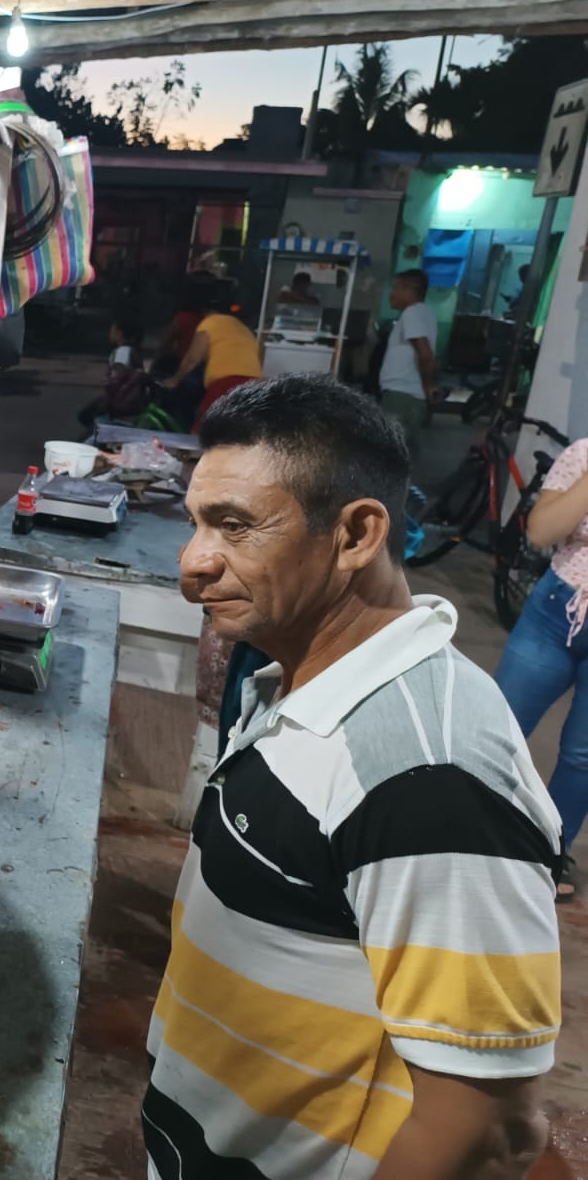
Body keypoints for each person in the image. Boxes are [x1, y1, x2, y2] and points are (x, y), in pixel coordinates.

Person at [148, 375, 561, 1179]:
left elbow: (484, 1128)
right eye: (196, 523)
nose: (194, 562)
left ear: (356, 534)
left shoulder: (432, 773)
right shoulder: (297, 681)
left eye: (234, 526)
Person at [495, 435, 588, 900]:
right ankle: (455, 827)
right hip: (556, 611)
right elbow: (541, 532)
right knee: (496, 726)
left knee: (582, 756)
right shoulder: (583, 454)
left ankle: (550, 852)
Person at [161, 294, 263, 431]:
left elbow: (192, 358)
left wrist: (174, 380)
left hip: (226, 383)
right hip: (255, 384)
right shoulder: (245, 329)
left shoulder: (210, 322)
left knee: (205, 429)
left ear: (208, 312)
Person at [379, 267, 441, 462]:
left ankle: (391, 493)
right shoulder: (426, 313)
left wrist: (428, 384)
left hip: (402, 395)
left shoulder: (412, 313)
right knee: (404, 453)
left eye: (395, 288)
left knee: (390, 454)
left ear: (409, 290)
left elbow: (425, 353)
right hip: (409, 394)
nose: (392, 294)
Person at [78, 317, 148, 430]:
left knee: (85, 416)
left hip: (121, 406)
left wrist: (108, 399)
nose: (110, 334)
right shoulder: (132, 350)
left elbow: (119, 378)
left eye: (112, 331)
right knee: (87, 416)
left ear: (119, 333)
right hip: (126, 404)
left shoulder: (122, 352)